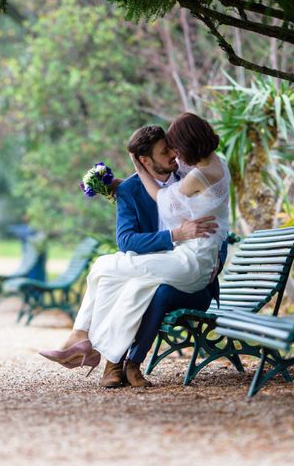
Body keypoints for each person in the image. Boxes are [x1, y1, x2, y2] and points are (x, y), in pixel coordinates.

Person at [40, 113, 230, 387]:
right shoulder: (130, 190)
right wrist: (131, 180)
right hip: (174, 259)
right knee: (132, 284)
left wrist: (180, 236)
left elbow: (165, 201)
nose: (174, 155)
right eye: (166, 151)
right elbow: (127, 241)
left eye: (173, 147)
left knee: (105, 267)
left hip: (195, 268)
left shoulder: (190, 175)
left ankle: (85, 340)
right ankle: (108, 359)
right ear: (145, 159)